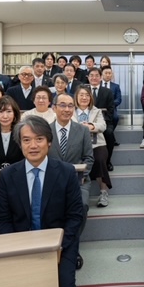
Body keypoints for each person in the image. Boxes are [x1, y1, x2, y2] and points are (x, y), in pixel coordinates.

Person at [0, 116, 83, 287]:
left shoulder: (66, 172)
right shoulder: (8, 175)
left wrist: (60, 247)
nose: (33, 145)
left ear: (49, 142)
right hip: (20, 247)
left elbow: (75, 216)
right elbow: (3, 219)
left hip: (60, 245)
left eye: (39, 139)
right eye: (26, 140)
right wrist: (14, 249)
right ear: (20, 144)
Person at [48, 93, 94, 270]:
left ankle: (72, 246)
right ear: (54, 108)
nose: (67, 109)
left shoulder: (82, 130)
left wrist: (78, 178)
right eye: (62, 105)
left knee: (81, 206)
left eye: (70, 106)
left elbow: (89, 158)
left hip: (78, 181)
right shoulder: (45, 131)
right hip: (51, 182)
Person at [73, 85, 112, 207]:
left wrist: (91, 126)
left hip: (96, 144)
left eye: (87, 95)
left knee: (100, 159)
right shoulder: (71, 111)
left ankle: (103, 193)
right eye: (81, 95)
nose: (84, 98)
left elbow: (103, 126)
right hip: (76, 144)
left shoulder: (96, 111)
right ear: (76, 97)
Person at [87, 67, 116, 171]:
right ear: (88, 77)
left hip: (104, 122)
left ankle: (107, 161)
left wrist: (100, 123)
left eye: (97, 76)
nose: (94, 78)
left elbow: (111, 110)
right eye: (91, 75)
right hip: (85, 122)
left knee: (109, 134)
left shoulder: (107, 91)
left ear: (101, 78)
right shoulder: (83, 90)